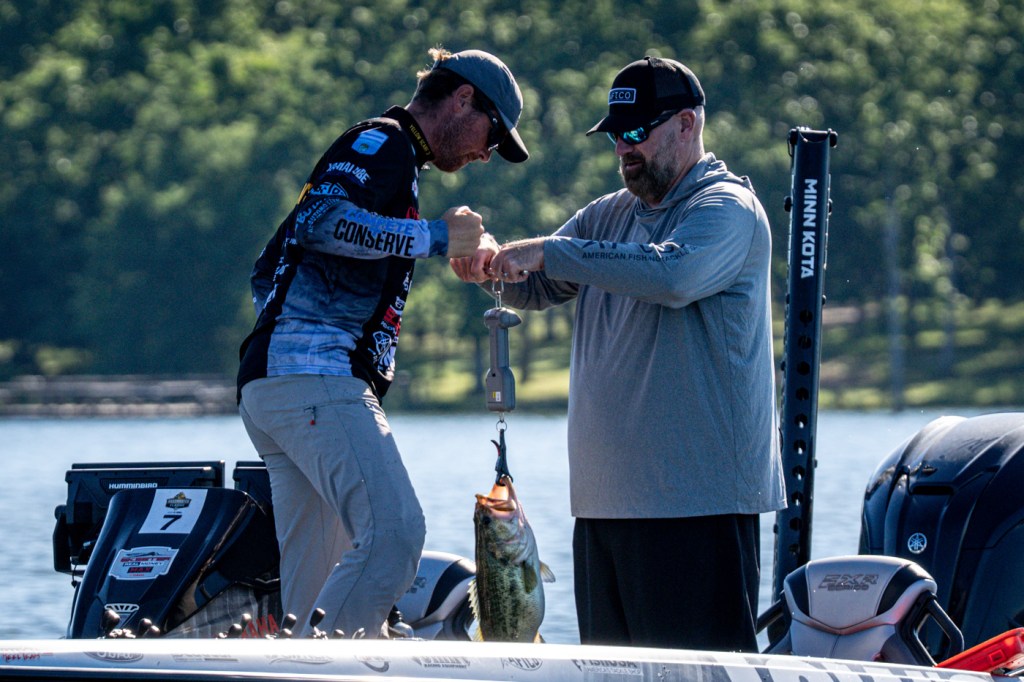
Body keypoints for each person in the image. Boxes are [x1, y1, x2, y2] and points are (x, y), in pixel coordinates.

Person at [451, 56, 785, 651]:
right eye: (614, 136)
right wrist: (491, 266)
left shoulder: (727, 208)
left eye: (635, 132)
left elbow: (673, 275)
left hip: (694, 507)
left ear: (686, 124)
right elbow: (539, 282)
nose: (623, 149)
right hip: (604, 508)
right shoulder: (608, 215)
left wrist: (548, 251)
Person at [236, 47, 529, 638]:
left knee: (313, 598)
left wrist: (294, 333)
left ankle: (307, 668)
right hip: (316, 382)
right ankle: (324, 668)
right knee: (396, 535)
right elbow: (319, 222)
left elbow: (267, 270)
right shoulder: (385, 142)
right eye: (493, 134)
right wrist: (436, 237)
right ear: (462, 99)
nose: (486, 153)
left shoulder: (393, 158)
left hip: (276, 387)